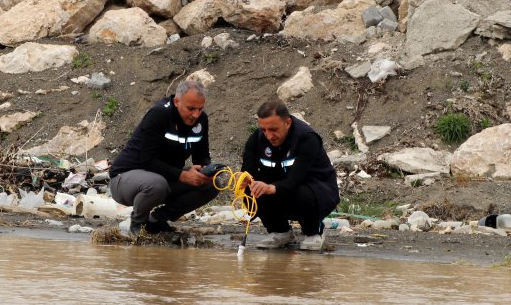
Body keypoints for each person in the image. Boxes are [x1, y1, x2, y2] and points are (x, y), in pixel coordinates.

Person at [109, 79, 218, 236]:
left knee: (211, 185)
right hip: (124, 179)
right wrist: (182, 175)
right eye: (191, 108)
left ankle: (157, 220)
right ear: (176, 101)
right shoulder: (159, 114)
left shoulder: (201, 120)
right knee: (156, 184)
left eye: (200, 109)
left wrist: (208, 171)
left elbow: (201, 157)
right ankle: (137, 223)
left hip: (164, 178)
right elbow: (146, 160)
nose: (196, 114)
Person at [240, 99, 340, 251]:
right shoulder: (257, 138)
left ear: (287, 123)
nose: (268, 136)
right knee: (252, 188)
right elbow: (248, 171)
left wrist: (270, 188)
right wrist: (242, 180)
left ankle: (314, 232)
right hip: (280, 189)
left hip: (316, 190)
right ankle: (280, 231)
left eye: (273, 129)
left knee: (302, 193)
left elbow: (295, 179)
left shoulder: (307, 138)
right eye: (264, 130)